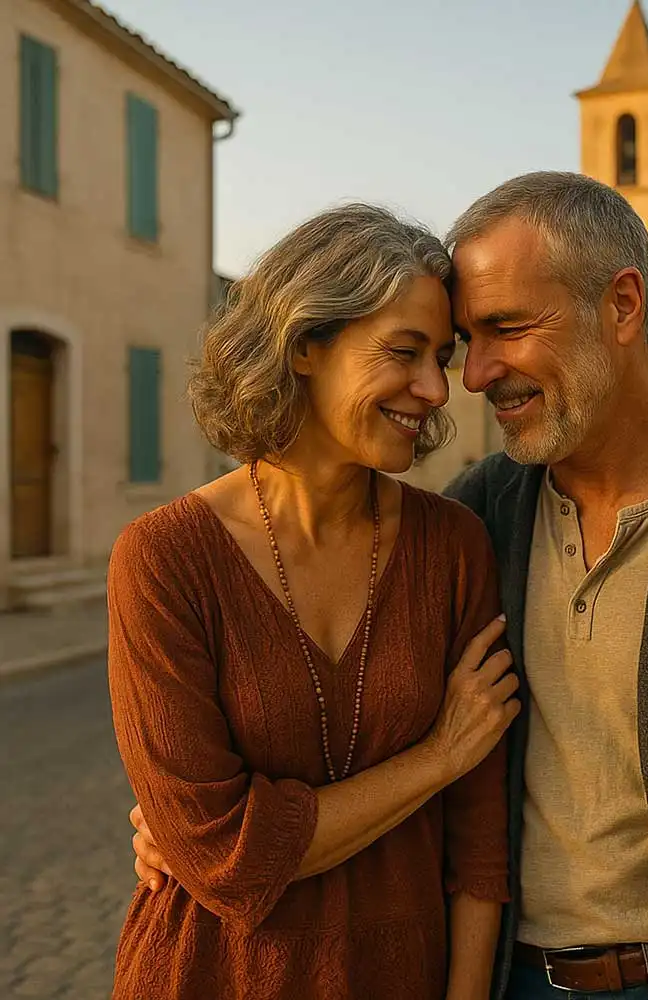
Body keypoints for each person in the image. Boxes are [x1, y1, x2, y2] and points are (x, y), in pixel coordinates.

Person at [132, 173, 648, 1000]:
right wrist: (183, 823)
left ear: (623, 307)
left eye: (506, 329)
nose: (472, 377)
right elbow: (371, 740)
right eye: (462, 341)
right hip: (519, 982)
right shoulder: (478, 517)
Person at [106, 204, 520, 1000]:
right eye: (404, 353)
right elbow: (224, 855)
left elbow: (479, 845)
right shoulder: (163, 559)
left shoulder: (454, 546)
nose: (436, 389)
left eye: (443, 355)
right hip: (207, 976)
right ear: (303, 346)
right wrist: (437, 756)